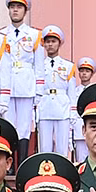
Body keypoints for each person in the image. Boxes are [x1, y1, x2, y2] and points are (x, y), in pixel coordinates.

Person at [0, 0, 42, 147]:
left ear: (25, 10)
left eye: (19, 7)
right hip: (7, 85)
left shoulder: (35, 35)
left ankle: (22, 159)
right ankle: (8, 158)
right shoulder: (0, 35)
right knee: (8, 125)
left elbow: (39, 65)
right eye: (12, 7)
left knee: (24, 126)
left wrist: (39, 91)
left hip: (26, 84)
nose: (15, 10)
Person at [33, 25, 76, 155]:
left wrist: (73, 112)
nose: (50, 45)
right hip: (44, 107)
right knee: (44, 147)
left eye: (53, 41)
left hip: (62, 108)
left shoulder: (68, 66)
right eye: (47, 42)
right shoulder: (38, 65)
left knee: (62, 148)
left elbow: (71, 92)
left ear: (59, 43)